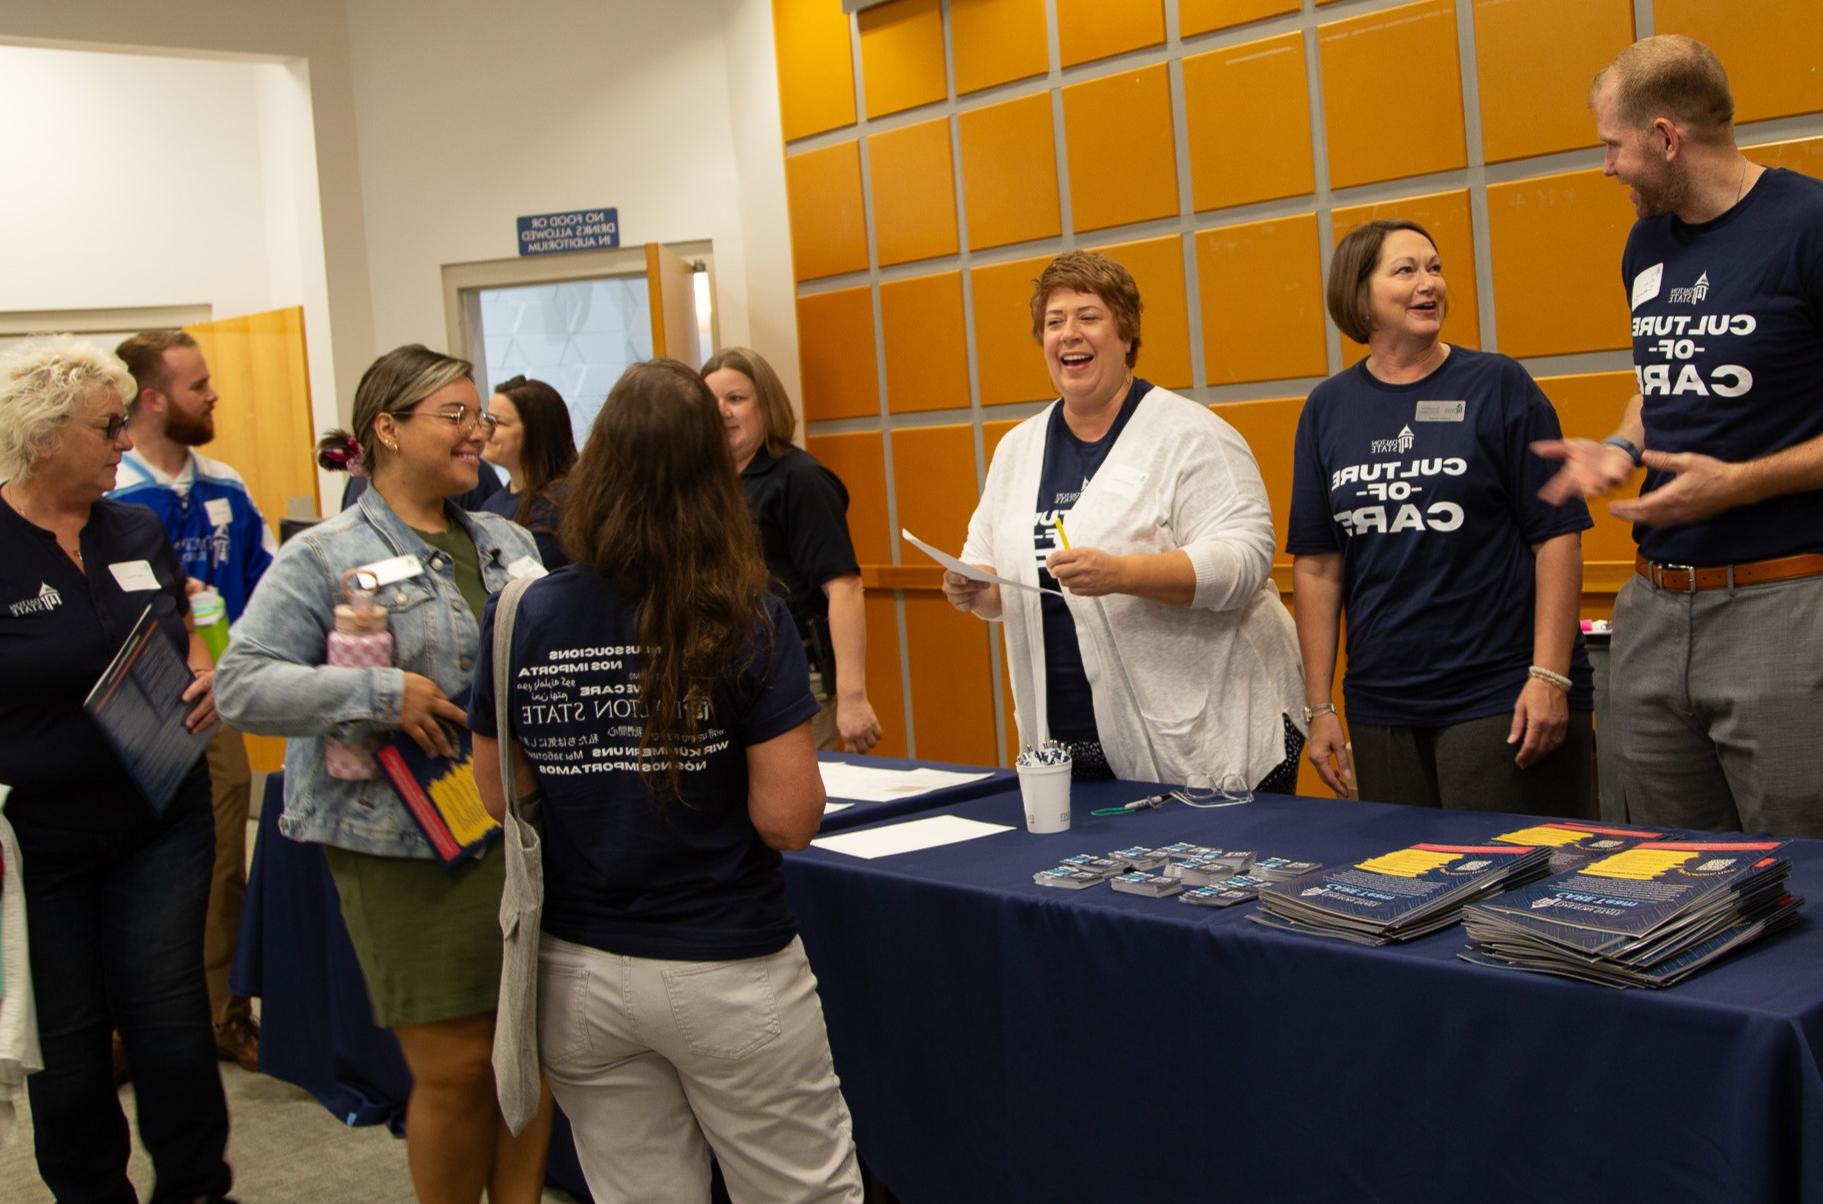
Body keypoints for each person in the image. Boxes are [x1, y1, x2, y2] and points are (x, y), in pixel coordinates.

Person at [471, 358, 863, 1203]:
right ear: (711, 478)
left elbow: (501, 796)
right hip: (724, 964)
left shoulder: (521, 612)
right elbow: (789, 819)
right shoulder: (745, 613)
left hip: (575, 972)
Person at [215, 344, 552, 1203]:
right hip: (403, 845)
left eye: (479, 416)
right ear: (388, 430)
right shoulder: (325, 556)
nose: (476, 432)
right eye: (455, 415)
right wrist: (379, 691)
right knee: (455, 1066)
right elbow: (241, 683)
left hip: (518, 831)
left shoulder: (508, 542)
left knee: (530, 1053)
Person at [1536, 35, 1823, 838]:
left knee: (1797, 867)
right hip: (1653, 609)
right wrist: (1621, 446)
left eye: (1612, 146)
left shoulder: (1807, 227)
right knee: (1663, 866)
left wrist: (1741, 482)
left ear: (1664, 137)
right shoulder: (1645, 243)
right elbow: (1661, 379)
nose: (1605, 168)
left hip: (1785, 604)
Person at [0, 336, 232, 1201]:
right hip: (38, 840)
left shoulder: (134, 528)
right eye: (107, 428)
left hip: (160, 814)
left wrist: (212, 668)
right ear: (44, 434)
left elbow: (193, 623)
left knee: (170, 1024)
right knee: (67, 1041)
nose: (125, 443)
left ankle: (199, 1188)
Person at [943, 251, 1304, 790]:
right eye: (1054, 322)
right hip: (1067, 740)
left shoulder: (1192, 436)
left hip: (1215, 735)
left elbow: (1245, 562)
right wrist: (975, 590)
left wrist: (1124, 574)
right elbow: (1003, 576)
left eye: (1088, 317)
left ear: (1127, 334)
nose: (1069, 334)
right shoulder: (1017, 450)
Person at [1289, 221, 1596, 813]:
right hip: (1382, 704)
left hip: (1501, 694)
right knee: (1410, 889)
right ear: (1358, 295)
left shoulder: (1499, 385)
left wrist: (1551, 677)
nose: (1429, 284)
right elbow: (1320, 566)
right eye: (1405, 271)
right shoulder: (1328, 409)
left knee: (1509, 892)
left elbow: (1556, 539)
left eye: (1435, 267)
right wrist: (1320, 707)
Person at [109, 328, 274, 1072]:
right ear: (153, 398)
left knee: (219, 854)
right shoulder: (110, 491)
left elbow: (268, 581)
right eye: (197, 384)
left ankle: (223, 1013)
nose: (212, 395)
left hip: (217, 694)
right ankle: (125, 1025)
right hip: (124, 707)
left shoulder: (227, 486)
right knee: (126, 857)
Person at [702, 347, 883, 755]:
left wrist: (852, 697)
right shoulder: (704, 487)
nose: (722, 412)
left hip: (794, 676)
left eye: (736, 399)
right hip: (725, 678)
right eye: (710, 402)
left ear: (766, 406)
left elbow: (844, 588)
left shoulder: (801, 479)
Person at [478, 373, 576, 569]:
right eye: (487, 420)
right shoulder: (491, 506)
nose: (485, 430)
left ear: (536, 432)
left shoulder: (560, 503)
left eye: (499, 423)